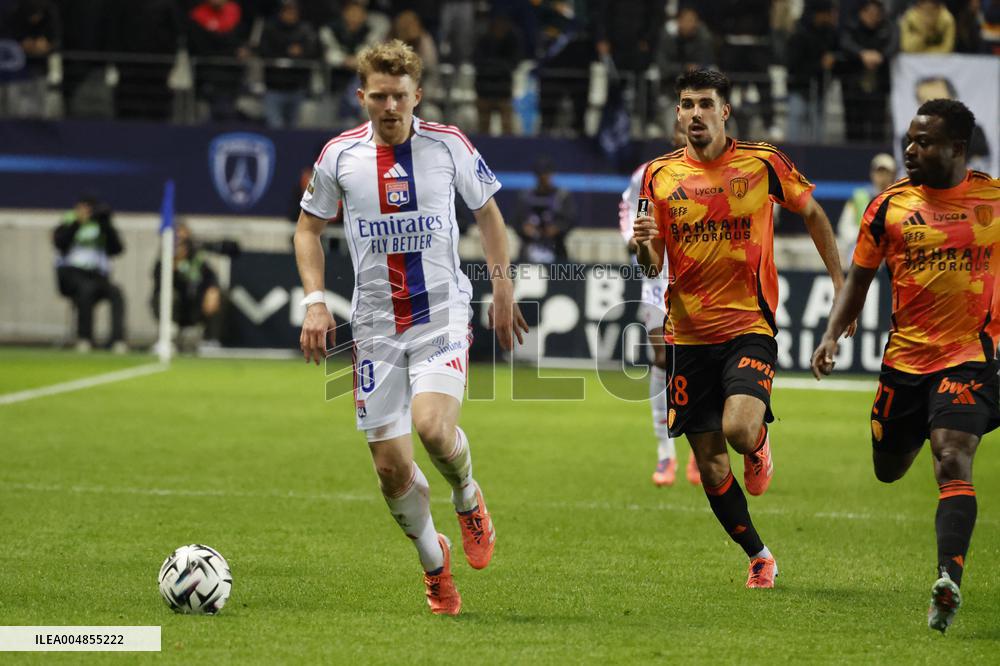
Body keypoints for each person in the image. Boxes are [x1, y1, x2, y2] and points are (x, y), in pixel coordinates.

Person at [295, 39, 528, 616]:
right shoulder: (339, 158)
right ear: (363, 97)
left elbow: (489, 213)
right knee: (389, 468)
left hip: (441, 316)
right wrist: (315, 301)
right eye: (379, 96)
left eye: (400, 95)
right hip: (374, 328)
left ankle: (467, 495)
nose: (390, 106)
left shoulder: (448, 145)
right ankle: (435, 565)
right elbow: (307, 230)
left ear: (416, 94)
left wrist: (502, 284)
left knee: (431, 428)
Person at [631, 69, 853, 588]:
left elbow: (815, 215)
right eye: (686, 104)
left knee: (738, 428)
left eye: (705, 104)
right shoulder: (658, 177)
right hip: (686, 334)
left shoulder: (762, 163)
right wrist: (643, 243)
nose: (694, 114)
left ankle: (757, 445)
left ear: (724, 112)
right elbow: (649, 264)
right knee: (709, 465)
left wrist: (844, 288)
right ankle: (759, 555)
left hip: (749, 326)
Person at [811, 99, 998, 633]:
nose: (909, 151)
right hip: (905, 364)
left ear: (957, 149)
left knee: (952, 458)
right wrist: (830, 335)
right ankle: (933, 422)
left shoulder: (993, 200)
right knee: (889, 468)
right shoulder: (887, 208)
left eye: (924, 142)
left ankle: (948, 580)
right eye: (909, 140)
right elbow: (859, 280)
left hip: (968, 358)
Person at [619, 127, 700, 488]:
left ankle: (700, 449)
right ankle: (666, 455)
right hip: (656, 277)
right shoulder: (649, 174)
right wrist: (631, 238)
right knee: (661, 358)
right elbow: (628, 207)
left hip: (700, 278)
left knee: (698, 361)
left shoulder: (715, 175)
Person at [52, 194, 127, 353]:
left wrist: (106, 225)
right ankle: (85, 338)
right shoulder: (68, 221)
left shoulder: (101, 224)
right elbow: (60, 243)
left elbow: (117, 249)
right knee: (86, 290)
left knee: (116, 293)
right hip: (71, 275)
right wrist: (77, 223)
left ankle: (117, 340)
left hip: (97, 275)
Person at [151, 222, 231, 352]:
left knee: (218, 294)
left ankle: (210, 340)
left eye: (184, 240)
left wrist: (213, 289)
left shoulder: (197, 261)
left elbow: (211, 277)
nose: (181, 244)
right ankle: (167, 339)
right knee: (166, 297)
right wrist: (174, 267)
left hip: (195, 307)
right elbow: (159, 287)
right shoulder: (163, 262)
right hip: (175, 309)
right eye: (177, 239)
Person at [515, 156, 574, 263]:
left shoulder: (562, 196)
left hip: (556, 248)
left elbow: (570, 219)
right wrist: (524, 228)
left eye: (546, 174)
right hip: (529, 248)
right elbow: (516, 220)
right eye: (540, 175)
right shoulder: (525, 196)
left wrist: (557, 228)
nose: (544, 178)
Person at [837, 152, 897, 250]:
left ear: (893, 175)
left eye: (886, 173)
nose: (882, 176)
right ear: (872, 174)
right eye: (879, 172)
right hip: (862, 247)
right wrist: (865, 237)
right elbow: (845, 227)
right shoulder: (859, 197)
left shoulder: (900, 198)